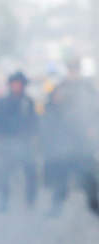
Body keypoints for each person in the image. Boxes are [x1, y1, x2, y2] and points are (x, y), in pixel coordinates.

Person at [41, 56, 99, 216]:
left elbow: (96, 110)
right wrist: (54, 102)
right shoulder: (60, 88)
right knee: (61, 175)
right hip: (65, 140)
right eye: (71, 69)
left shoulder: (88, 88)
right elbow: (49, 109)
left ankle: (94, 206)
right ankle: (56, 207)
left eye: (76, 69)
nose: (73, 72)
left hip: (83, 141)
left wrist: (93, 128)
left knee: (89, 176)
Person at [0, 70, 39, 212]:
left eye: (19, 84)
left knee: (30, 172)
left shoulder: (28, 102)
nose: (17, 87)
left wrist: (33, 137)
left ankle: (30, 201)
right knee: (4, 174)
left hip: (25, 142)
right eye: (15, 84)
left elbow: (34, 121)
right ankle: (3, 202)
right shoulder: (3, 102)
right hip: (7, 142)